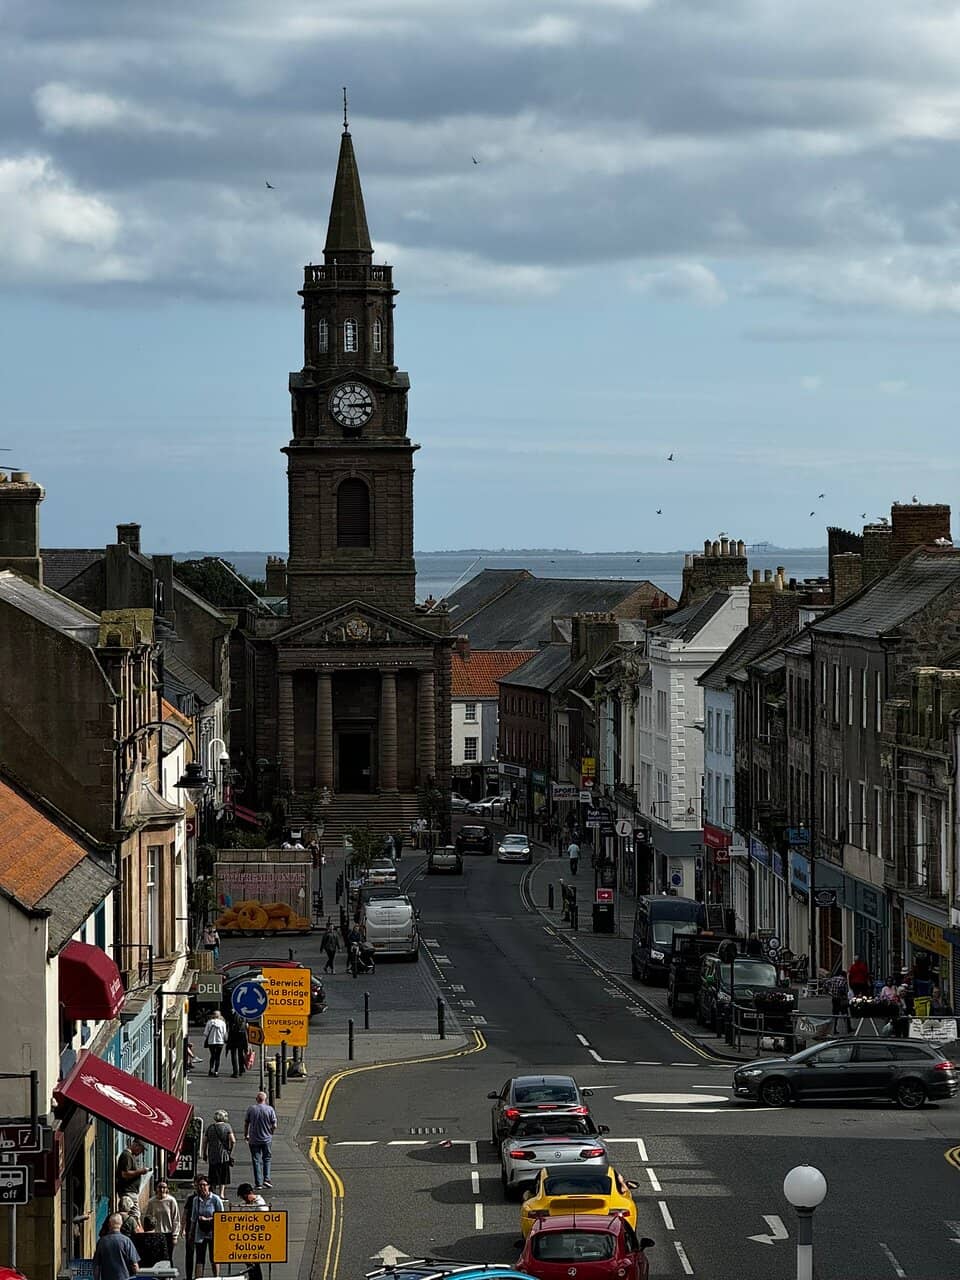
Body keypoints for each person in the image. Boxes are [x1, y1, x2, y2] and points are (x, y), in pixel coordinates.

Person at [187, 1176, 223, 1279]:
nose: (202, 1187)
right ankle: (199, 1278)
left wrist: (208, 1219)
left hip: (213, 1232)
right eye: (200, 1185)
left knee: (214, 1257)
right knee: (199, 1257)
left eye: (204, 1185)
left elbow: (222, 1217)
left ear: (209, 1186)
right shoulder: (196, 1200)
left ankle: (216, 1277)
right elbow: (193, 1218)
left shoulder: (215, 1199)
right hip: (200, 1232)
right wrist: (191, 1232)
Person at [244, 1090, 278, 1190]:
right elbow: (274, 1125)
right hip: (266, 1139)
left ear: (256, 1099)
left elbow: (246, 1123)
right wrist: (271, 1132)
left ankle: (258, 1183)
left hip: (254, 1139)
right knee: (267, 1158)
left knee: (256, 1160)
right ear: (265, 1099)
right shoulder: (270, 1109)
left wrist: (246, 1134)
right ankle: (266, 1179)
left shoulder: (251, 1109)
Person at [235, 1184, 268, 1280]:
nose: (243, 1200)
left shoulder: (261, 1206)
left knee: (255, 1263)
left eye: (244, 1197)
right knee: (249, 1263)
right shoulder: (244, 1204)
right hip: (246, 1239)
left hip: (257, 1239)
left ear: (249, 1194)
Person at [93, 1213, 140, 1280]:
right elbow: (134, 1265)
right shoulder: (126, 1241)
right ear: (121, 1224)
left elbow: (97, 1266)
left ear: (109, 1224)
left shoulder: (101, 1242)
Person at [202, 1108, 236, 1199]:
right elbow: (233, 1140)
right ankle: (221, 1194)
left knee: (212, 1174)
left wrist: (204, 1153)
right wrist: (230, 1150)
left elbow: (205, 1141)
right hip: (224, 1155)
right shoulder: (227, 1127)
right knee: (223, 1175)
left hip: (212, 1155)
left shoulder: (210, 1128)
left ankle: (212, 1193)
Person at [145, 1178, 181, 1244]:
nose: (162, 1190)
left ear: (167, 1189)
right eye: (160, 1187)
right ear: (156, 1188)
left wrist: (175, 1236)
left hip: (168, 1233)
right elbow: (148, 1218)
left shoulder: (171, 1201)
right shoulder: (151, 1202)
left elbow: (176, 1219)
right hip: (155, 1234)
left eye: (164, 1187)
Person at [115, 1137, 149, 1204]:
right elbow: (124, 1174)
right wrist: (141, 1171)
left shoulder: (131, 1156)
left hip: (130, 1192)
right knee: (135, 1213)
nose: (141, 1153)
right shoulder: (126, 1156)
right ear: (136, 1145)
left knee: (132, 1213)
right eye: (141, 1150)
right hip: (128, 1192)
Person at [203, 1008, 228, 1076]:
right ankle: (216, 1071)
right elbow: (224, 1033)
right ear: (219, 1016)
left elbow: (205, 1033)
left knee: (212, 1056)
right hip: (220, 1042)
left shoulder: (209, 1022)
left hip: (211, 1042)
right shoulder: (222, 1023)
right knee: (218, 1056)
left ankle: (211, 1069)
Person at [226, 1012, 249, 1078]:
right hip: (242, 1035)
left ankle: (235, 1072)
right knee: (241, 1053)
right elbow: (247, 1026)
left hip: (233, 1036)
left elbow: (228, 1026)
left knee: (233, 1054)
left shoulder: (231, 1015)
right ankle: (241, 1069)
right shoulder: (244, 1015)